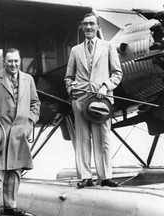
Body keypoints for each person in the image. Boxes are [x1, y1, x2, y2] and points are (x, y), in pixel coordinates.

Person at [0, 48, 40, 216]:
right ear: (5, 61)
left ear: (20, 61)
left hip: (20, 133)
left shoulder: (28, 79)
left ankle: (10, 206)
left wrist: (30, 123)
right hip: (1, 133)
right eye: (10, 61)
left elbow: (35, 103)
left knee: (15, 171)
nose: (13, 64)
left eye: (16, 61)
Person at [64, 13, 123, 188]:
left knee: (103, 138)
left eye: (92, 24)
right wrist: (71, 90)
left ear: (98, 27)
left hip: (101, 100)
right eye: (85, 24)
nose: (89, 27)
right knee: (82, 138)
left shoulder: (108, 46)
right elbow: (68, 77)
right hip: (81, 100)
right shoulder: (75, 50)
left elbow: (117, 73)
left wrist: (105, 87)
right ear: (82, 27)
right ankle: (85, 177)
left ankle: (105, 177)